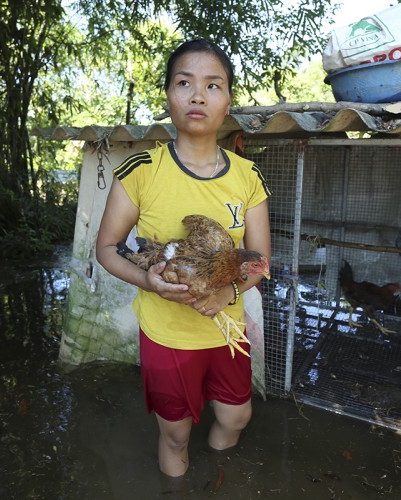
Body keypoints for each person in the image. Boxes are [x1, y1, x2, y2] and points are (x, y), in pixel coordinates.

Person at [95, 38, 271, 478]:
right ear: (169, 96)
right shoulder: (141, 170)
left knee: (235, 418)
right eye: (184, 83)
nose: (198, 95)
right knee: (174, 434)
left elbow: (261, 259)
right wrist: (149, 282)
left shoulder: (247, 177)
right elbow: (106, 249)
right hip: (167, 334)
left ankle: (217, 475)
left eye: (213, 85)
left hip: (225, 325)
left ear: (228, 100)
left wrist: (227, 292)